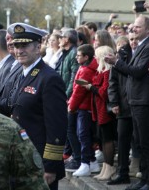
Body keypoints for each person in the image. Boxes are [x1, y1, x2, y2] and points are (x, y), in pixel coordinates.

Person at [105, 15, 149, 190]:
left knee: (148, 143)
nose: (133, 29)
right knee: (140, 142)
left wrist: (116, 62)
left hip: (145, 101)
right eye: (133, 27)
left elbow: (137, 72)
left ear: (147, 29)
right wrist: (116, 64)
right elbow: (130, 72)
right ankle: (145, 179)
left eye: (138, 27)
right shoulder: (140, 46)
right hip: (136, 101)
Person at [8, 23, 67, 190]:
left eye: (24, 45)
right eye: (16, 45)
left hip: (39, 161)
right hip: (21, 158)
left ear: (38, 47)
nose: (19, 50)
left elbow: (57, 127)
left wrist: (50, 166)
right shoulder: (21, 74)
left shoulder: (49, 78)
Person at [67, 44, 99, 177]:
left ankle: (85, 163)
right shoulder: (85, 68)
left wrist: (71, 106)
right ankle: (92, 161)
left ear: (86, 57)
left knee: (83, 135)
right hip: (84, 107)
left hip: (84, 108)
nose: (76, 57)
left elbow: (78, 92)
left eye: (79, 55)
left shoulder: (85, 70)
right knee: (85, 135)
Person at [107, 36, 134, 185]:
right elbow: (113, 82)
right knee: (122, 140)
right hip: (123, 106)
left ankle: (145, 173)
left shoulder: (144, 53)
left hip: (140, 104)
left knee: (143, 141)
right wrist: (113, 102)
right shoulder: (120, 57)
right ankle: (122, 172)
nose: (134, 40)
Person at [55, 29, 81, 172]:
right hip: (63, 94)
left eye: (62, 37)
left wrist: (66, 95)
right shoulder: (65, 52)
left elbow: (74, 77)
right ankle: (72, 155)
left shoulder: (73, 53)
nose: (59, 40)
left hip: (69, 96)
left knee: (71, 129)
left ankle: (77, 158)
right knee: (68, 128)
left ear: (68, 39)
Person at [89, 46, 116, 181]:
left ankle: (109, 167)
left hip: (105, 111)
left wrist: (91, 88)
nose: (94, 58)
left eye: (96, 56)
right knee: (103, 139)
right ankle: (106, 167)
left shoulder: (108, 72)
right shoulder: (101, 71)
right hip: (99, 110)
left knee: (107, 139)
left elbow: (104, 92)